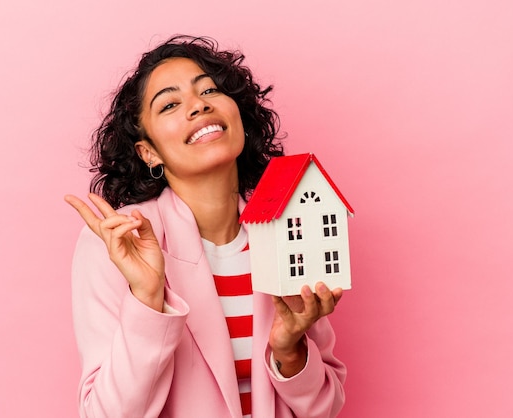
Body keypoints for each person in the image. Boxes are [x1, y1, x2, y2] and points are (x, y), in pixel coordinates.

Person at [65, 35, 346, 418]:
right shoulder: (116, 243)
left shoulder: (290, 229)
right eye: (169, 104)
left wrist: (289, 349)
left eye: (209, 90)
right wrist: (148, 300)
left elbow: (326, 407)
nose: (198, 105)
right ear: (148, 152)